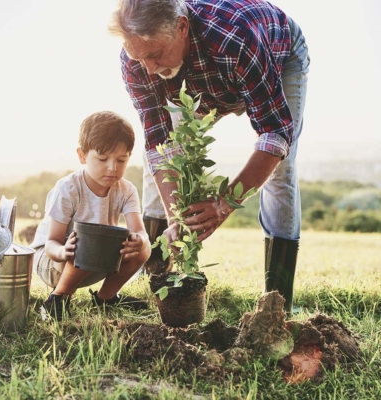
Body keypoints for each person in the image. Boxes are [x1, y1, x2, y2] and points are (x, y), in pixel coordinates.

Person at [108, 0, 310, 315]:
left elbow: (275, 133)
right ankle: (158, 278)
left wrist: (223, 204)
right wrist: (177, 216)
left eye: (155, 54)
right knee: (163, 163)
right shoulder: (137, 61)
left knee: (280, 170)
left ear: (182, 28)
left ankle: (277, 303)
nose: (147, 68)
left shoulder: (236, 38)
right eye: (138, 57)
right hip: (204, 80)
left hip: (275, 57)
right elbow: (159, 142)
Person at [29, 111, 151, 320]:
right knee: (88, 243)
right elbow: (51, 244)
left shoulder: (126, 190)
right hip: (54, 262)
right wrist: (64, 251)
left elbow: (140, 232)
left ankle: (105, 298)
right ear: (82, 155)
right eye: (103, 159)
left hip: (96, 259)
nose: (112, 168)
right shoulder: (68, 188)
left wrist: (139, 241)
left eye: (121, 160)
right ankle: (56, 300)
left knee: (144, 247)